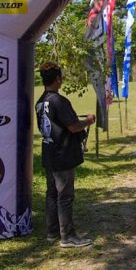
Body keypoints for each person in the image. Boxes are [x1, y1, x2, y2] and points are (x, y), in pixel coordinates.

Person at [35, 62, 96, 248]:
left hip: (49, 153)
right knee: (65, 196)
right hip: (63, 154)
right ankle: (68, 236)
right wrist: (88, 121)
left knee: (52, 194)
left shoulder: (40, 101)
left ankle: (52, 232)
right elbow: (73, 126)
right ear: (58, 79)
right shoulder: (58, 101)